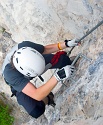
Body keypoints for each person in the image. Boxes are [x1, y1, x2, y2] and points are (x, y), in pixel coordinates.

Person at [2, 39, 78, 118]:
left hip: (34, 61)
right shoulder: (10, 75)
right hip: (17, 81)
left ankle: (58, 65)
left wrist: (66, 44)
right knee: (36, 111)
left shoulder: (26, 47)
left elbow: (45, 49)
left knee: (64, 61)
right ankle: (48, 97)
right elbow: (36, 94)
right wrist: (58, 76)